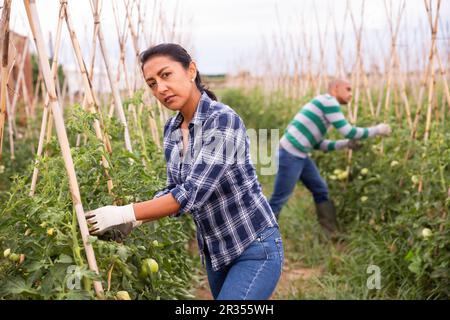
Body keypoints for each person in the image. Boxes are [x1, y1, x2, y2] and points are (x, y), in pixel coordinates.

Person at [86, 43, 283, 300]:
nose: (161, 88)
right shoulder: (172, 129)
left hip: (253, 246)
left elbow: (192, 194)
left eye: (166, 75)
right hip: (215, 252)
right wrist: (135, 219)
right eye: (152, 83)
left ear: (191, 70)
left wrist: (125, 212)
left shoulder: (223, 120)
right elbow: (174, 189)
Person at [268, 79, 391, 236]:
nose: (351, 94)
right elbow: (349, 131)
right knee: (279, 198)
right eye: (347, 89)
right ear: (335, 89)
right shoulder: (328, 102)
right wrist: (377, 130)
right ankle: (261, 238)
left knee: (320, 189)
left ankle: (331, 232)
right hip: (290, 154)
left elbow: (318, 144)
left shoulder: (323, 104)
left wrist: (346, 144)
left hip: (300, 154)